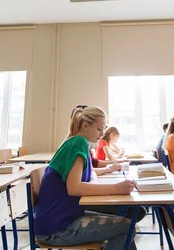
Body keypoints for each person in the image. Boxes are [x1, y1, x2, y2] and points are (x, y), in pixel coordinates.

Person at [34, 106, 137, 249]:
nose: (102, 134)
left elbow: (85, 178)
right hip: (56, 228)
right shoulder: (78, 142)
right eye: (99, 129)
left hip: (60, 219)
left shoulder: (76, 142)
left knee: (126, 223)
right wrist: (115, 188)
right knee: (127, 227)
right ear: (85, 125)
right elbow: (74, 188)